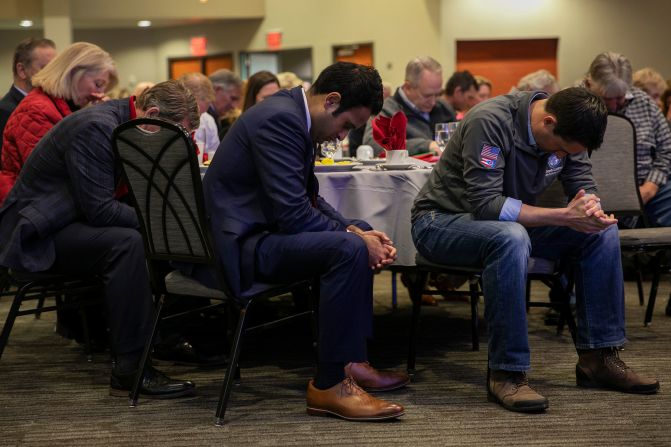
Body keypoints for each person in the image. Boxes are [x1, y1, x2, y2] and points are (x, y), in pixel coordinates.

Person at [411, 87, 660, 413]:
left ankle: (598, 360)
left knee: (600, 235)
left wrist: (591, 209)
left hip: (503, 223)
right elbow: (486, 205)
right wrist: (563, 217)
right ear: (548, 122)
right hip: (440, 222)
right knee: (510, 237)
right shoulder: (489, 122)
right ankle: (507, 373)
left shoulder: (571, 126)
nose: (563, 154)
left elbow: (581, 179)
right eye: (560, 148)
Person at [199, 62, 408, 421]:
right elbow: (294, 214)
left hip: (260, 232)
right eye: (345, 126)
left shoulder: (293, 113)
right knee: (348, 247)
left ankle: (351, 361)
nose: (342, 138)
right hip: (236, 248)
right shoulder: (280, 120)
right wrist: (353, 238)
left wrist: (356, 229)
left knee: (356, 230)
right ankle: (329, 384)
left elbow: (308, 199)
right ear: (331, 101)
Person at [0, 80, 199, 398]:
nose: (182, 141)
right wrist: (162, 224)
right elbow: (102, 211)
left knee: (153, 239)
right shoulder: (96, 127)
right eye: (180, 132)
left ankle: (162, 338)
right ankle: (130, 370)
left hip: (68, 221)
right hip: (37, 234)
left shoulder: (127, 123)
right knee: (128, 244)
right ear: (152, 114)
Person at [0, 42, 118, 205]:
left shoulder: (64, 106)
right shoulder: (36, 110)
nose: (99, 94)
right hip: (30, 210)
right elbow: (54, 177)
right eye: (98, 84)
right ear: (74, 73)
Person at [583, 52, 671, 228]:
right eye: (608, 99)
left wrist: (651, 186)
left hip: (647, 193)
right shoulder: (570, 104)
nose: (616, 105)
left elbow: (666, 150)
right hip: (589, 196)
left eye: (621, 96)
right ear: (588, 84)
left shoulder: (645, 103)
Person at [362, 56, 454, 156]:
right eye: (427, 95)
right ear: (408, 87)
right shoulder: (386, 110)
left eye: (438, 94)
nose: (433, 102)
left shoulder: (444, 108)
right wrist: (426, 146)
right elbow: (372, 145)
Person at [0, 38, 56, 156]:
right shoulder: (4, 112)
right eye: (45, 68)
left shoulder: (52, 105)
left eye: (54, 69)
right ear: (21, 70)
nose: (53, 76)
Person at [179, 72, 220, 158]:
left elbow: (214, 155)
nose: (198, 117)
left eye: (201, 113)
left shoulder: (208, 120)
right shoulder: (169, 119)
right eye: (193, 111)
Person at [207, 68, 243, 139]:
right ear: (217, 90)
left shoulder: (216, 116)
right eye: (233, 98)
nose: (234, 106)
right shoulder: (202, 116)